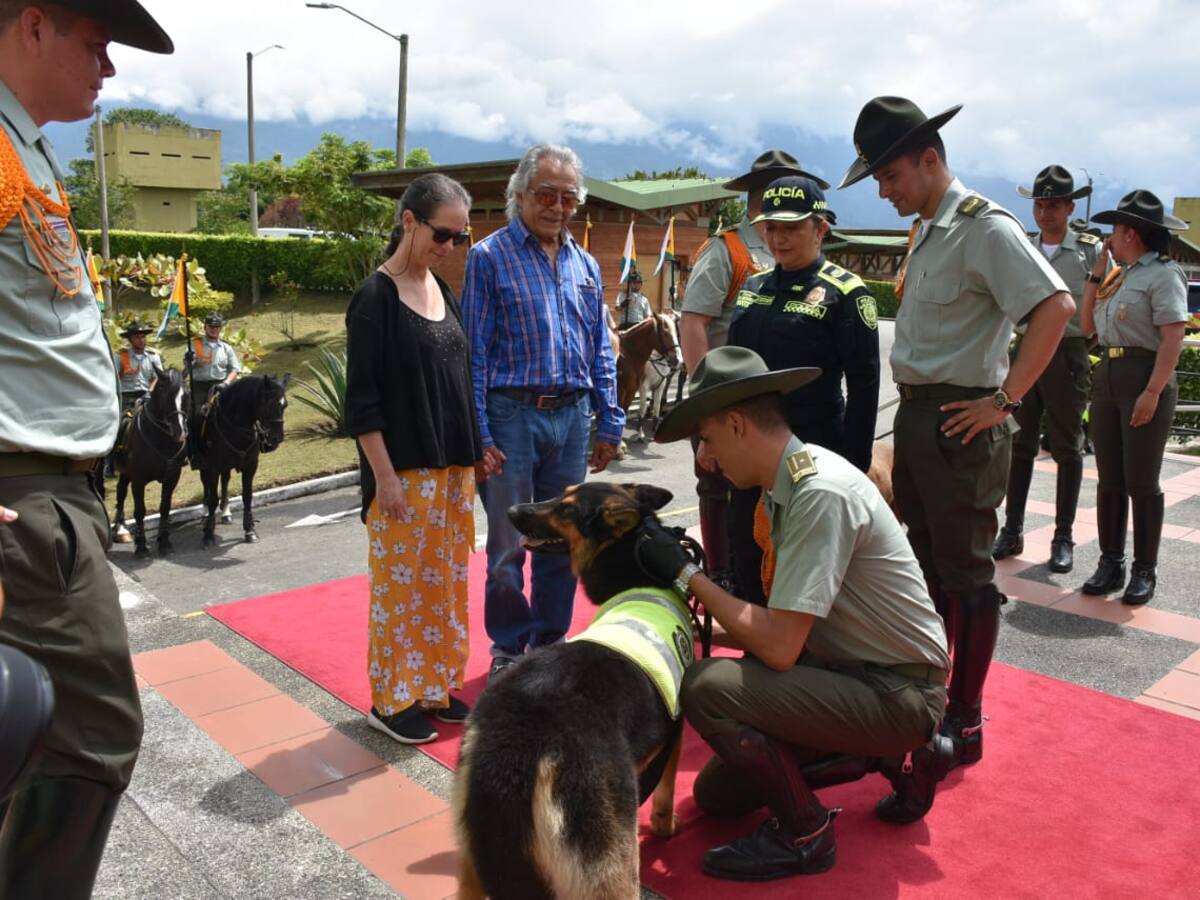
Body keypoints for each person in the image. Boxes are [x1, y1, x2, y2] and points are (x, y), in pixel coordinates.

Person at [637, 345, 950, 881]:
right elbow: (784, 631)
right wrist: (691, 624)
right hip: (851, 674)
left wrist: (688, 576)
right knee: (717, 794)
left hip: (897, 692)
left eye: (706, 439)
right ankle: (892, 759)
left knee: (709, 687)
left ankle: (805, 833)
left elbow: (780, 647)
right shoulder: (787, 486)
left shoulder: (816, 493)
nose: (705, 460)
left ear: (736, 424)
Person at [838, 97, 1074, 770]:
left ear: (930, 158)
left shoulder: (982, 228)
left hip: (961, 423)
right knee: (927, 566)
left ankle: (965, 720)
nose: (884, 191)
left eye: (890, 176)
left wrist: (1005, 400)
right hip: (918, 418)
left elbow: (1055, 306)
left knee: (967, 574)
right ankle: (930, 697)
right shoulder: (929, 227)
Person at [0, 1, 173, 895]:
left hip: (55, 491)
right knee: (91, 731)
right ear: (34, 25)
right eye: (95, 43)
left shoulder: (23, 144)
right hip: (24, 499)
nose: (108, 68)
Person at [461, 144, 624, 680]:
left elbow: (600, 346)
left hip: (573, 418)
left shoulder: (585, 264)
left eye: (568, 197)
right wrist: (481, 434)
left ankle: (551, 642)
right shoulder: (489, 258)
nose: (557, 206)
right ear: (521, 196)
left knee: (562, 538)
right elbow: (476, 353)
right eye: (546, 195)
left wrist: (610, 418)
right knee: (508, 545)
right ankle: (509, 646)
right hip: (511, 415)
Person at [345, 173, 490, 743]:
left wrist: (476, 455)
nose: (449, 246)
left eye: (460, 236)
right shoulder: (375, 298)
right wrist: (385, 479)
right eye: (442, 233)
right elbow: (362, 404)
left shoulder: (440, 289)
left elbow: (454, 382)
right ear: (409, 221)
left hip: (452, 474)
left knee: (446, 586)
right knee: (399, 593)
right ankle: (391, 698)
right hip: (402, 474)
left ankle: (433, 686)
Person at [726, 174, 880, 604]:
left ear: (821, 228)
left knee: (805, 568)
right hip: (747, 454)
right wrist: (710, 438)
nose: (779, 237)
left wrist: (855, 467)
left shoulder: (846, 293)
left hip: (812, 452)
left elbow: (865, 387)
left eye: (792, 227)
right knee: (747, 553)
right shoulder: (752, 288)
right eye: (771, 227)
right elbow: (729, 374)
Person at [679, 149, 825, 599]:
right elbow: (694, 322)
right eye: (774, 189)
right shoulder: (729, 248)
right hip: (725, 399)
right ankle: (722, 572)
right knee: (718, 486)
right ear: (756, 195)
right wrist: (708, 401)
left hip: (775, 402)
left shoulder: (793, 247)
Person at [992, 166, 1106, 573]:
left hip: (1067, 353)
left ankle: (1063, 537)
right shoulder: (1024, 246)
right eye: (1039, 204)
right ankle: (1013, 529)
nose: (1045, 212)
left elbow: (1103, 300)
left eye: (1053, 204)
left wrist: (1083, 342)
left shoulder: (1091, 250)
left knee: (1067, 447)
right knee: (1019, 446)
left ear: (1070, 207)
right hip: (1025, 351)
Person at [1079, 190, 1188, 605]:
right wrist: (1095, 276)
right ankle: (1111, 562)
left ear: (1132, 233)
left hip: (1144, 375)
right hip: (1108, 374)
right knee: (1109, 480)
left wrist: (1154, 391)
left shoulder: (1163, 274)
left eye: (1115, 231)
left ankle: (1145, 569)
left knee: (1142, 482)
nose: (1109, 238)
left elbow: (1173, 335)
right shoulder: (1119, 274)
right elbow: (1088, 325)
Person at [187, 310, 240, 415]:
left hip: (220, 386)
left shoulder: (226, 347)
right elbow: (187, 365)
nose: (213, 329)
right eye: (211, 326)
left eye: (216, 327)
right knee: (197, 415)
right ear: (205, 327)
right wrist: (189, 359)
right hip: (199, 388)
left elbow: (235, 369)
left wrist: (226, 383)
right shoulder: (195, 344)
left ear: (220, 328)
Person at [114, 318, 164, 411]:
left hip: (147, 396)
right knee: (122, 422)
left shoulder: (153, 356)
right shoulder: (121, 356)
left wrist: (149, 392)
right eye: (137, 337)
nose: (141, 340)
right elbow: (113, 377)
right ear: (130, 340)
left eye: (143, 337)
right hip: (126, 396)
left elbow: (157, 378)